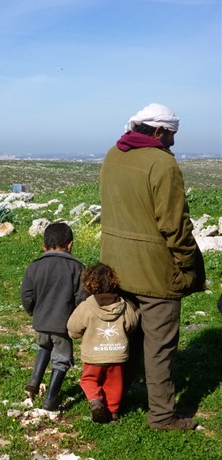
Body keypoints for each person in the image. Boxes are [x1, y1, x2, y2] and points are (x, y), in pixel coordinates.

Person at [99, 102, 206, 431]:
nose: (173, 141)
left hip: (115, 265)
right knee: (159, 345)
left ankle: (112, 401)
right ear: (158, 131)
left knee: (122, 336)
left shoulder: (112, 155)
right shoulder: (162, 164)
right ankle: (161, 416)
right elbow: (175, 226)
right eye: (172, 134)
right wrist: (188, 265)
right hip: (155, 270)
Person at [21, 222, 85, 411]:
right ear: (70, 245)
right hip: (63, 324)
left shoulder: (34, 267)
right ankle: (51, 399)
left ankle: (34, 381)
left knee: (44, 345)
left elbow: (26, 295)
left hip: (41, 321)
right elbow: (82, 298)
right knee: (62, 358)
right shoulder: (77, 267)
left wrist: (33, 311)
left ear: (44, 247)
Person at [67, 263, 139, 424]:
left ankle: (95, 401)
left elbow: (73, 327)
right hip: (117, 353)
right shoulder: (123, 305)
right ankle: (113, 413)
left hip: (94, 355)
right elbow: (132, 323)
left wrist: (75, 335)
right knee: (115, 383)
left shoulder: (86, 307)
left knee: (89, 380)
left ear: (88, 285)